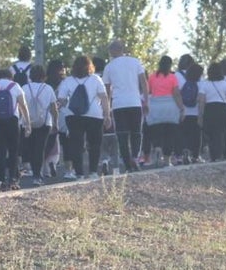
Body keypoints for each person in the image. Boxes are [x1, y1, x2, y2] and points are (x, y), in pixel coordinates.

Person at [57, 56, 111, 179]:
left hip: (73, 116)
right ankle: (92, 172)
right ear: (90, 66)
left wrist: (61, 110)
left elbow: (61, 100)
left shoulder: (68, 81)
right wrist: (107, 115)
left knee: (76, 144)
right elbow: (104, 97)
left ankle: (79, 173)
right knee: (95, 144)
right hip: (95, 115)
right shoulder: (96, 79)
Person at [101, 40, 148, 173]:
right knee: (136, 133)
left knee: (122, 135)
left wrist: (107, 110)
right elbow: (143, 82)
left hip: (119, 104)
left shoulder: (109, 67)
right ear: (123, 49)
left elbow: (107, 90)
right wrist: (146, 100)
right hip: (134, 101)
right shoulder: (135, 62)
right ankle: (135, 156)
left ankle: (128, 164)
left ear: (111, 51)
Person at [0, 68, 30, 189]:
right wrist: (27, 123)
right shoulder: (15, 86)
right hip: (12, 121)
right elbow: (23, 105)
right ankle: (13, 179)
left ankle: (1, 180)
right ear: (10, 76)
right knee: (13, 151)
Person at [21, 64, 58, 185]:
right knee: (40, 148)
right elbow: (53, 108)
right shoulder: (48, 88)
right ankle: (38, 175)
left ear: (30, 76)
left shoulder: (24, 88)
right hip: (45, 122)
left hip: (28, 122)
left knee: (31, 148)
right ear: (44, 76)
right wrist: (55, 123)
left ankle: (34, 171)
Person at [145, 55, 183, 166]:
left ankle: (157, 148)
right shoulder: (172, 77)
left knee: (157, 130)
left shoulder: (152, 77)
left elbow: (149, 92)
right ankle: (167, 160)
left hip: (156, 105)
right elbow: (176, 94)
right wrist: (181, 108)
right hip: (170, 105)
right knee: (170, 133)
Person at [198, 62, 226, 162]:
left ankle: (214, 155)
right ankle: (219, 155)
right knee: (220, 133)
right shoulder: (225, 84)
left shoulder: (205, 85)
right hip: (222, 109)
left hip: (209, 110)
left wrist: (200, 116)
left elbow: (201, 101)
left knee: (212, 134)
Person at [176, 60, 203, 163]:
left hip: (184, 113)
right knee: (196, 135)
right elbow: (201, 100)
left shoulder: (184, 83)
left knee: (183, 134)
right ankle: (195, 156)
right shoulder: (201, 84)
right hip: (196, 113)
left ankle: (183, 153)